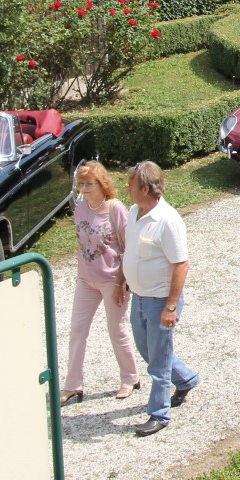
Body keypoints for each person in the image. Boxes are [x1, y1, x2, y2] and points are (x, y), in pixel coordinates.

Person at [119, 161, 198, 436]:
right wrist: (124, 281)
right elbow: (130, 251)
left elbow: (181, 265)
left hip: (160, 301)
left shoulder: (167, 220)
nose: (126, 188)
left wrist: (171, 306)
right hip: (140, 297)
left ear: (145, 187)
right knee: (149, 350)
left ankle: (159, 413)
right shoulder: (134, 212)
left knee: (158, 361)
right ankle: (186, 379)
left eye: (130, 184)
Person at [61, 162, 140, 406]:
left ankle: (130, 377)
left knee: (117, 330)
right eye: (81, 184)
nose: (84, 189)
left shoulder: (116, 209)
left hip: (111, 280)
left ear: (101, 184)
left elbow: (129, 248)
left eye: (89, 184)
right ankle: (73, 385)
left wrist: (121, 283)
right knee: (77, 330)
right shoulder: (80, 208)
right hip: (86, 280)